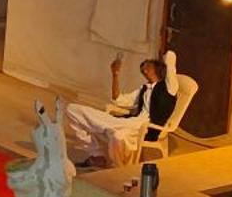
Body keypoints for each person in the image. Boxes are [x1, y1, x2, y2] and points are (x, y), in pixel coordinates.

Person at [63, 51, 192, 169]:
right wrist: (115, 74)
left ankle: (116, 165)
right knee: (72, 110)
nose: (144, 69)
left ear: (157, 68)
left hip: (145, 127)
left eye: (147, 65)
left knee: (116, 134)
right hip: (130, 122)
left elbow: (171, 57)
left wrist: (164, 59)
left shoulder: (169, 87)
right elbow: (118, 99)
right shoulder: (143, 89)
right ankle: (97, 154)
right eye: (143, 68)